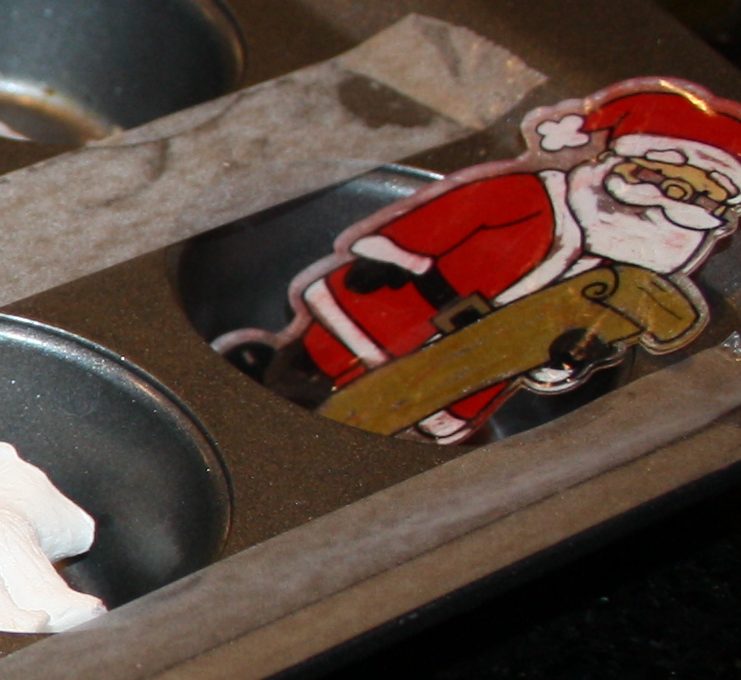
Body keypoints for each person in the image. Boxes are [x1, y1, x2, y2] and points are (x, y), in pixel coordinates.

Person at [223, 78, 741, 443]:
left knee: (425, 405)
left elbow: (575, 332)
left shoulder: (612, 278)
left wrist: (564, 360)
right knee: (333, 349)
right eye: (659, 178)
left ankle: (380, 441)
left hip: (479, 355)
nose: (666, 201)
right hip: (408, 300)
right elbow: (443, 218)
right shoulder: (528, 194)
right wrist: (389, 257)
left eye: (694, 196)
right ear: (616, 162)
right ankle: (283, 370)